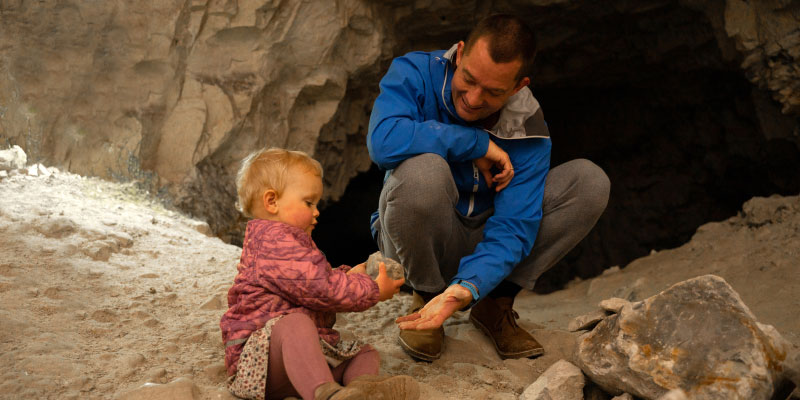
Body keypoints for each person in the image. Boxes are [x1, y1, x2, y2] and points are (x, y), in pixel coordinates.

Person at [367, 14, 610, 361]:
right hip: (413, 237)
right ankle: (425, 296)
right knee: (424, 171)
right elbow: (382, 143)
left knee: (588, 182)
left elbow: (513, 226)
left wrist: (468, 289)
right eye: (468, 79)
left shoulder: (528, 125)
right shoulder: (415, 73)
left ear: (517, 87)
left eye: (493, 92)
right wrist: (474, 143)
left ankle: (494, 303)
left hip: (482, 239)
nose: (473, 98)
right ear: (460, 54)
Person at [220, 148, 419, 400]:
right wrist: (373, 289)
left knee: (364, 352)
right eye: (308, 202)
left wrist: (350, 275)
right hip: (262, 364)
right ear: (272, 202)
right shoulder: (273, 244)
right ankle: (326, 394)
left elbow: (312, 280)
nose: (317, 212)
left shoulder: (290, 243)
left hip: (298, 366)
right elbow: (321, 289)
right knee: (293, 324)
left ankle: (363, 390)